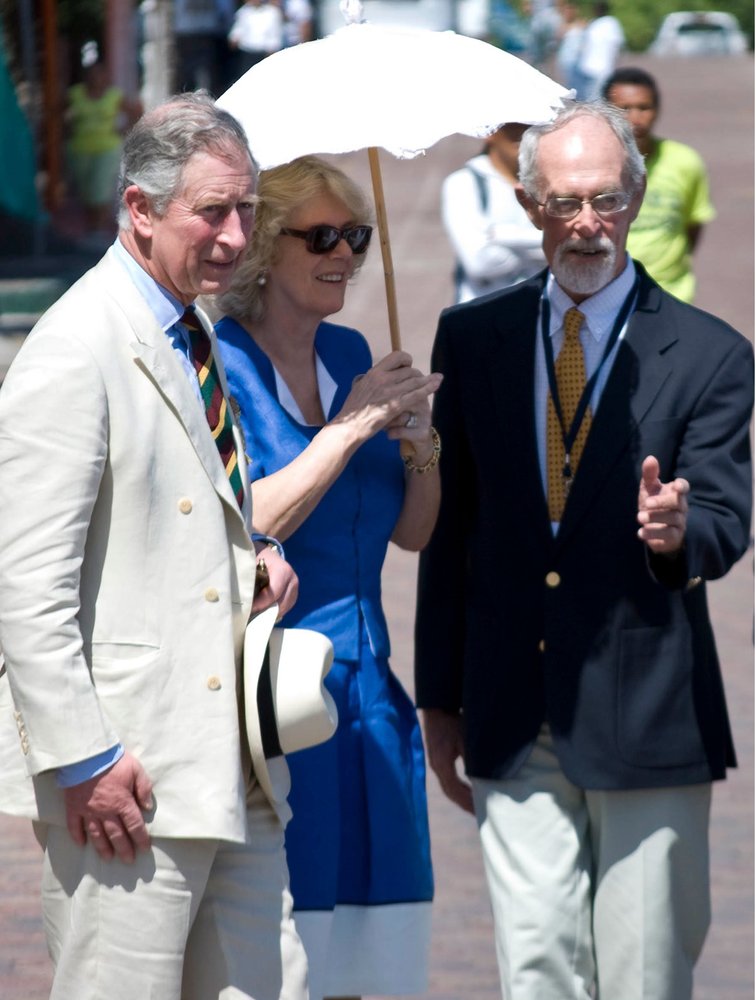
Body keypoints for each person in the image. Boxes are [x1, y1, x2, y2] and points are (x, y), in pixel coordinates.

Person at [415, 101, 753, 1000]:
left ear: (637, 199)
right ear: (528, 205)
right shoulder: (473, 339)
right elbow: (452, 535)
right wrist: (438, 699)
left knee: (643, 973)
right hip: (512, 711)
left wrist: (682, 535)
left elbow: (727, 514)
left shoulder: (711, 354)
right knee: (537, 970)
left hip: (646, 712)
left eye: (606, 200)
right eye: (564, 203)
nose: (587, 224)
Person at [0, 92, 307, 1000]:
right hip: (125, 781)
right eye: (212, 211)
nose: (234, 235)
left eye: (247, 209)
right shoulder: (75, 347)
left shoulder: (193, 327)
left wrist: (247, 563)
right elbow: (25, 584)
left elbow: (176, 510)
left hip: (231, 762)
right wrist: (84, 758)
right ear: (139, 209)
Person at [212, 154, 439, 1000]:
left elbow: (413, 533)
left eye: (356, 235)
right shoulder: (218, 367)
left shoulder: (352, 350)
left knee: (379, 963)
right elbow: (247, 521)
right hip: (274, 705)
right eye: (322, 236)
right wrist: (351, 427)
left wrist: (420, 443)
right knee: (286, 956)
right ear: (266, 248)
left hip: (372, 701)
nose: (343, 253)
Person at [603, 66, 715, 303]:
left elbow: (693, 224)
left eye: (644, 108)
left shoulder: (685, 162)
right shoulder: (593, 166)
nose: (635, 118)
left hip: (671, 294)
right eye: (624, 108)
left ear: (657, 110)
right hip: (608, 291)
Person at [441, 123, 545, 303]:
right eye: (512, 127)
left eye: (529, 127)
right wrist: (540, 247)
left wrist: (506, 236)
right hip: (480, 315)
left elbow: (562, 246)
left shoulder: (549, 181)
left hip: (538, 310)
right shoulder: (462, 183)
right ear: (489, 132)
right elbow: (480, 263)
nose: (522, 134)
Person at [65, 60, 142, 236]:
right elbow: (58, 115)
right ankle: (89, 226)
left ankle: (98, 229)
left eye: (99, 74)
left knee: (99, 188)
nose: (95, 78)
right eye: (91, 75)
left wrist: (122, 130)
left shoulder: (113, 96)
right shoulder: (75, 94)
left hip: (107, 147)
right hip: (79, 147)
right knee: (85, 190)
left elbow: (135, 111)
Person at [571, 2, 624, 100]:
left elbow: (617, 45)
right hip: (587, 68)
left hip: (602, 69)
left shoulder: (611, 23)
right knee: (587, 99)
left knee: (597, 101)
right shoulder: (594, 23)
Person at [227, 0, 284, 79]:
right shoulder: (244, 11)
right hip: (246, 52)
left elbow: (275, 33)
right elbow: (238, 28)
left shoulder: (272, 12)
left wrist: (272, 50)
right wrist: (234, 38)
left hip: (263, 53)